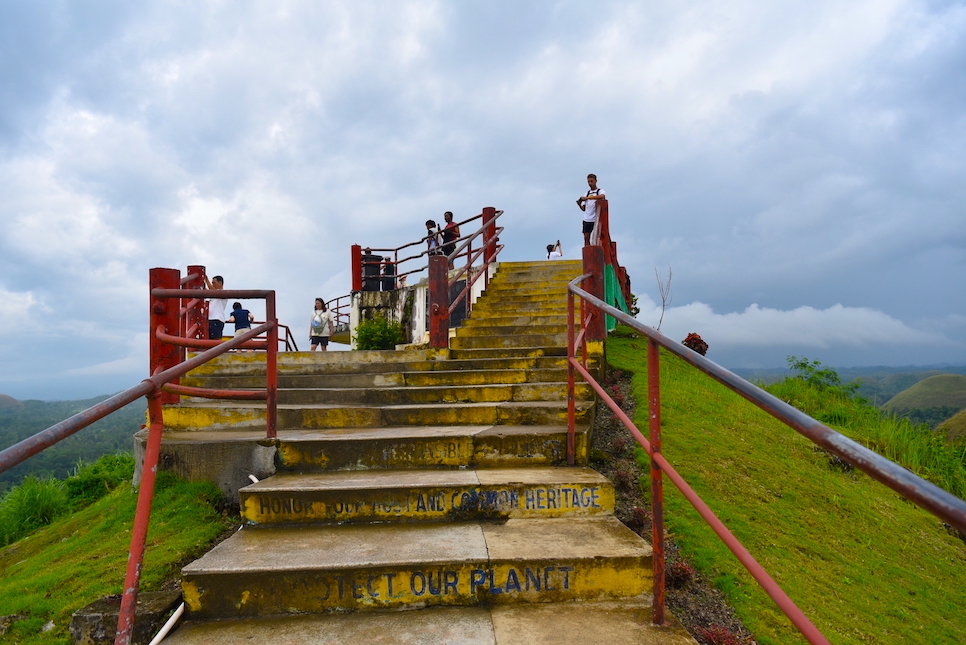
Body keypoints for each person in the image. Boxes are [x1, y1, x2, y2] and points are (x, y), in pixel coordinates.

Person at [576, 173, 605, 246]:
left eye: (591, 181)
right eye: (588, 181)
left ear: (596, 181)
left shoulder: (599, 191)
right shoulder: (587, 193)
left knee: (597, 237)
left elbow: (602, 196)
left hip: (596, 219)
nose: (590, 183)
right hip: (587, 218)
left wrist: (589, 198)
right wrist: (579, 203)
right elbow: (584, 209)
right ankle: (588, 253)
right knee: (586, 237)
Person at [204, 274, 227, 340]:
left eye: (214, 283)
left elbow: (212, 291)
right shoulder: (213, 293)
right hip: (211, 319)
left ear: (220, 283)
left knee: (216, 340)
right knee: (210, 340)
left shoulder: (223, 293)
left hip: (217, 319)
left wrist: (206, 280)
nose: (212, 284)